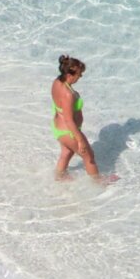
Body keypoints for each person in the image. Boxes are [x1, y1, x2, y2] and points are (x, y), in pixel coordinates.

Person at [50, 55, 117, 183]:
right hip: (69, 131)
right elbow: (69, 120)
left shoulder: (57, 82)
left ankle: (59, 177)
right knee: (89, 156)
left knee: (66, 153)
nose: (80, 77)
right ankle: (98, 182)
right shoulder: (68, 94)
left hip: (59, 127)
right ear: (71, 74)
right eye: (79, 74)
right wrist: (80, 140)